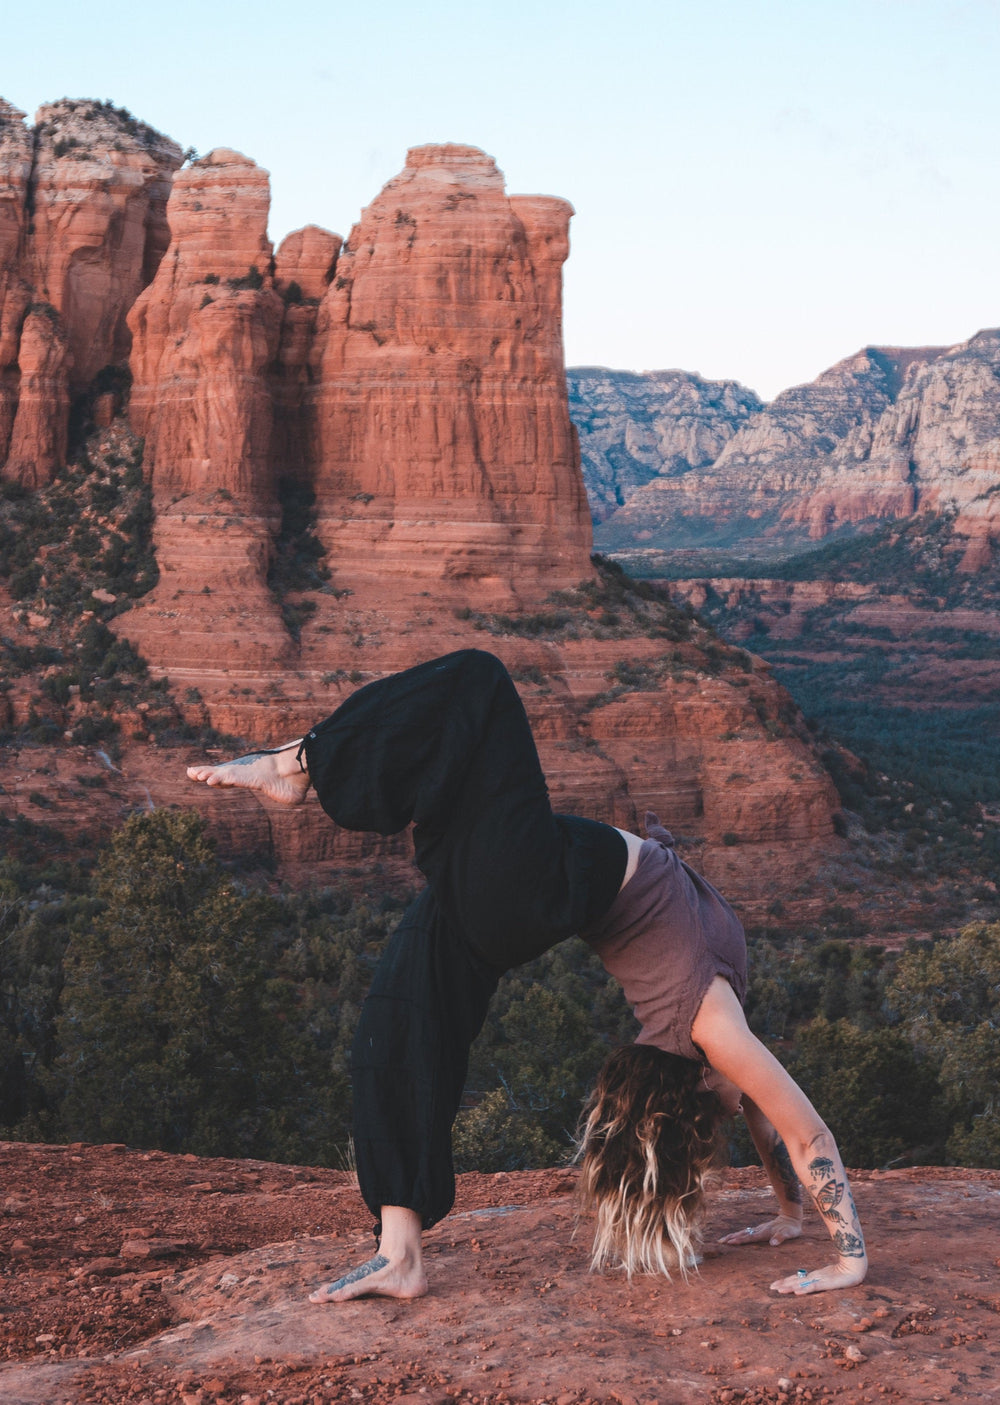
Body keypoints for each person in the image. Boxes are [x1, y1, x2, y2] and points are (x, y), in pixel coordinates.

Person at [186, 649, 867, 1303]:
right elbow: (773, 1123)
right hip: (518, 886)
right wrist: (791, 1215)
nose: (738, 1102)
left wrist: (849, 1259)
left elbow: (811, 1137)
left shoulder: (712, 1030)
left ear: (691, 1090)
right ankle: (400, 1251)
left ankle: (302, 763)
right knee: (400, 1019)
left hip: (534, 884)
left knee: (478, 681)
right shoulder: (719, 1055)